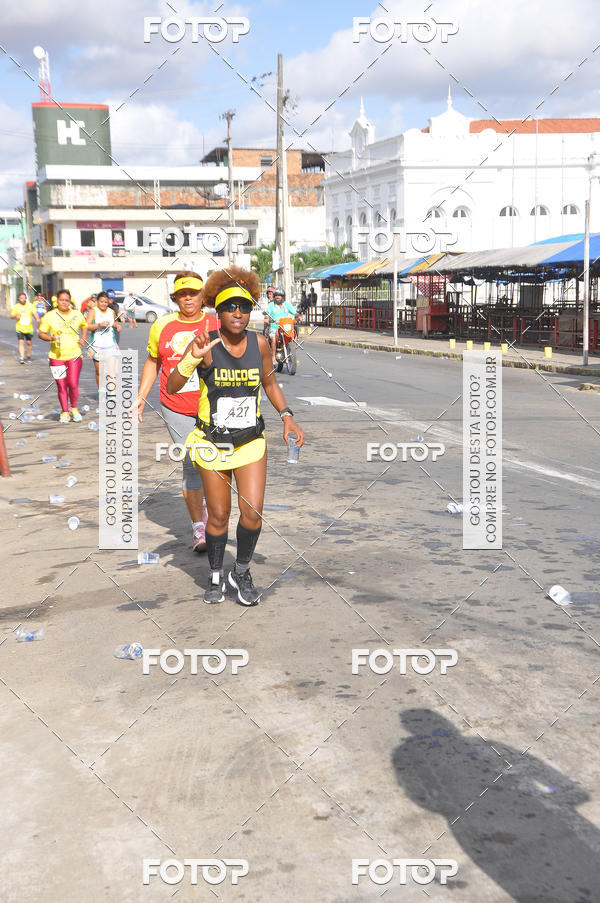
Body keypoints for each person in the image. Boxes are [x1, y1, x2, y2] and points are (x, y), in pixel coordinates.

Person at [166, 266, 305, 606]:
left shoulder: (260, 343)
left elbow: (270, 383)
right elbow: (171, 386)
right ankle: (215, 574)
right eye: (230, 307)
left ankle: (240, 571)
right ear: (218, 312)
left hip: (250, 442)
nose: (238, 313)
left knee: (252, 512)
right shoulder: (204, 344)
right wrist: (190, 362)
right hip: (212, 444)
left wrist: (288, 418)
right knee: (217, 515)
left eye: (244, 307)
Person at [138, 271, 217, 553]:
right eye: (182, 294)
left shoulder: (216, 323)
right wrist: (140, 396)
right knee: (191, 461)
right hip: (176, 405)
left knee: (216, 462)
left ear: (202, 296)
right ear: (175, 298)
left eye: (193, 293)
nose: (188, 299)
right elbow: (153, 361)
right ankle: (199, 527)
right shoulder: (162, 325)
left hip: (213, 406)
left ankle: (213, 511)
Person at [38, 288, 88, 422]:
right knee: (61, 385)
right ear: (57, 301)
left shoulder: (77, 314)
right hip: (56, 357)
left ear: (70, 301)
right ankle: (65, 412)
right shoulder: (49, 316)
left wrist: (83, 337)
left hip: (74, 355)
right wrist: (50, 338)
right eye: (62, 300)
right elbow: (41, 333)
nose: (64, 303)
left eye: (67, 300)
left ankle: (74, 408)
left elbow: (85, 325)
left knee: (72, 383)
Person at [87, 291, 121, 387]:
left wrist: (117, 325)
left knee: (112, 371)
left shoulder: (111, 311)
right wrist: (98, 325)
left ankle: (112, 393)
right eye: (101, 301)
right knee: (100, 372)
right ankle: (101, 391)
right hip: (97, 345)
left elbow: (114, 323)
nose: (103, 304)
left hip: (110, 344)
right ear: (97, 301)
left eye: (105, 302)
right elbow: (87, 326)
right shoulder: (93, 311)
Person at [265, 288, 298, 367]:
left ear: (283, 297)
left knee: (294, 333)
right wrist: (267, 319)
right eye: (276, 295)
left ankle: (292, 354)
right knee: (273, 338)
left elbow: (294, 312)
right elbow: (267, 315)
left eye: (280, 295)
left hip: (285, 327)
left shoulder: (287, 304)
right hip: (274, 327)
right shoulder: (271, 305)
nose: (278, 297)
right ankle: (273, 357)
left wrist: (299, 316)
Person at [11, 291, 39, 363]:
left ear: (26, 298)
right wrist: (15, 316)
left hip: (29, 328)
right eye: (21, 298)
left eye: (24, 298)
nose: (23, 299)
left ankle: (28, 356)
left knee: (29, 343)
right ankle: (22, 357)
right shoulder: (16, 306)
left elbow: (35, 314)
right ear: (18, 299)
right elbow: (12, 316)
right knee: (21, 342)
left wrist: (37, 319)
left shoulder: (30, 305)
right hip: (19, 328)